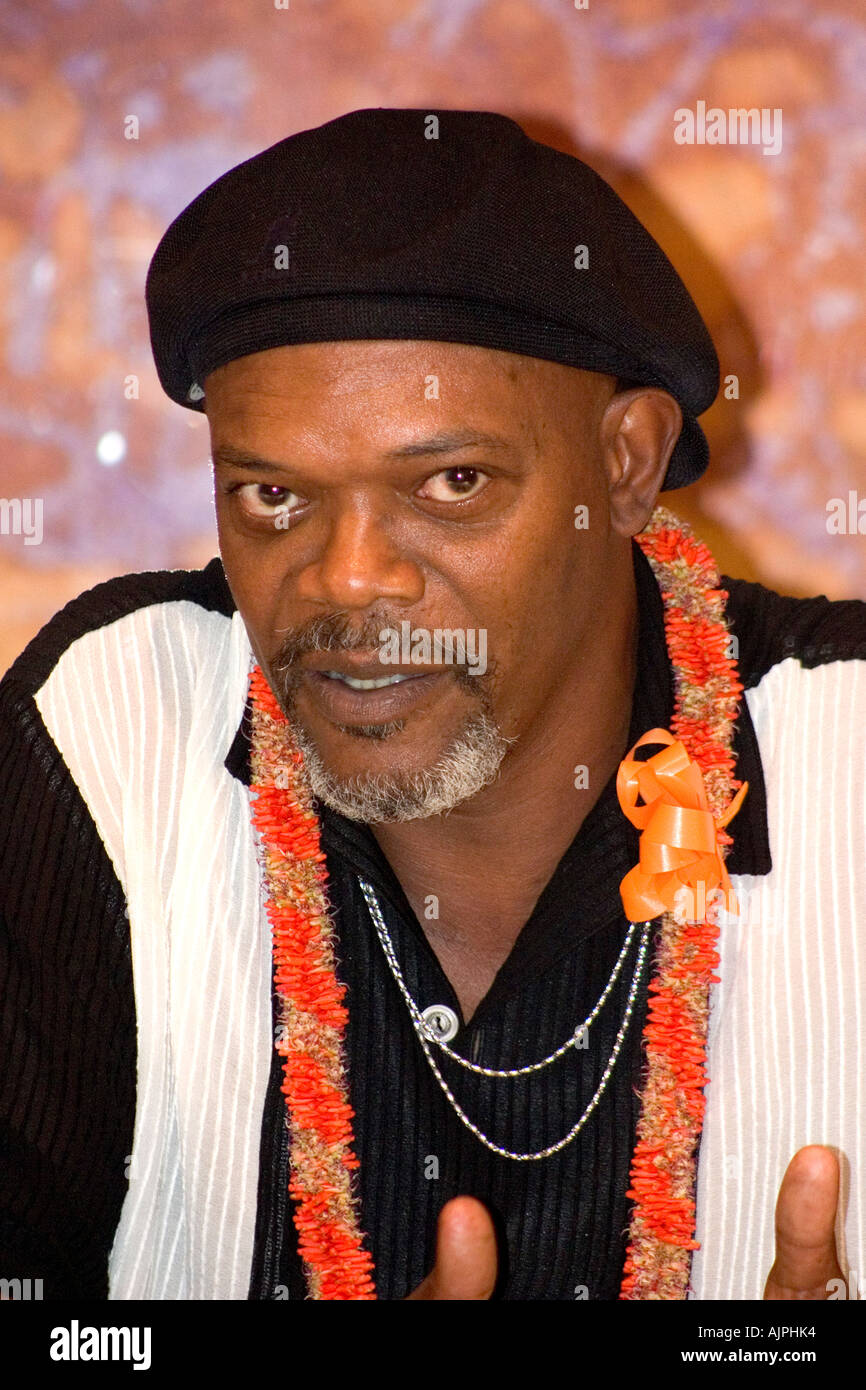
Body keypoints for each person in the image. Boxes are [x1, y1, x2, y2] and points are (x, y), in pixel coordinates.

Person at [1, 108, 863, 1302]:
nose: (346, 579)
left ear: (623, 464)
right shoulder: (112, 732)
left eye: (451, 482)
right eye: (272, 496)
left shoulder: (845, 749)